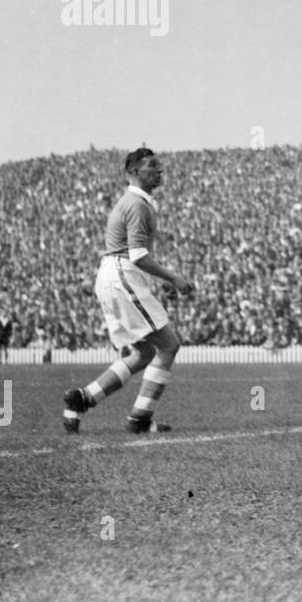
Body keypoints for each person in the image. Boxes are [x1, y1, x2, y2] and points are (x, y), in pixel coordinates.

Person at [62, 148, 193, 434]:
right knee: (169, 344)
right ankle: (140, 417)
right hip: (121, 274)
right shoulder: (136, 204)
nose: (159, 171)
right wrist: (175, 279)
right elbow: (137, 255)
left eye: (159, 166)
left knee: (142, 352)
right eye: (152, 167)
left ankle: (82, 398)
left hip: (113, 275)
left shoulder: (136, 202)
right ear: (134, 172)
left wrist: (163, 281)